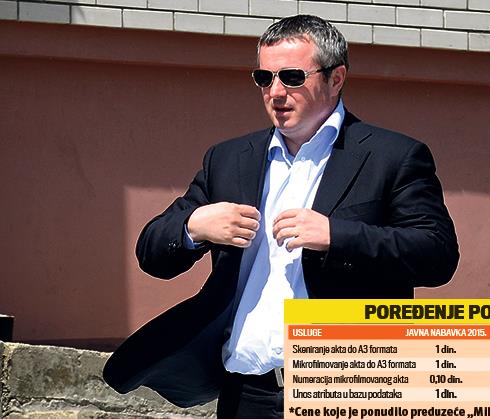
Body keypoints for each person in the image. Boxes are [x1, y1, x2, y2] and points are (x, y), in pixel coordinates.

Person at [103, 14, 459, 419]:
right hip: (246, 395)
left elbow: (438, 254)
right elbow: (152, 252)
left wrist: (337, 236)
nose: (275, 92)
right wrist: (194, 226)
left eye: (292, 77)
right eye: (264, 78)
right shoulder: (229, 160)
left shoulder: (392, 156)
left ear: (336, 78)